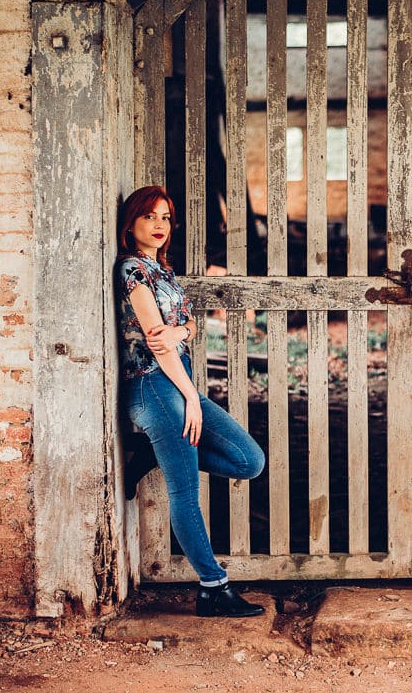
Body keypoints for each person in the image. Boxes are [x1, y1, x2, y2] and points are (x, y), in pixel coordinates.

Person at [116, 185, 267, 618]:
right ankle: (212, 588)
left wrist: (183, 331)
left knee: (248, 461)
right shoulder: (132, 271)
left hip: (175, 383)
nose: (159, 225)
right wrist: (190, 396)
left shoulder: (161, 270)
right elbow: (156, 343)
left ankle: (150, 452)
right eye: (149, 217)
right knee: (185, 490)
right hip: (154, 386)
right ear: (132, 223)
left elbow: (186, 329)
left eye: (165, 217)